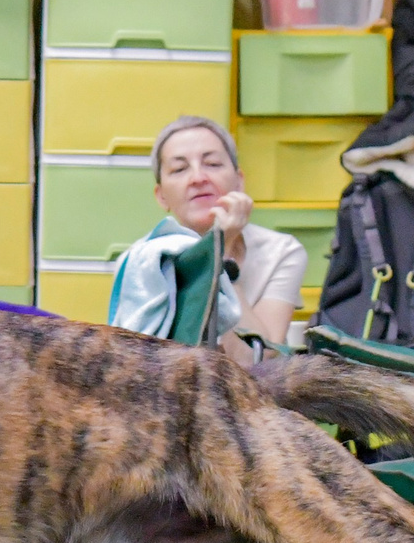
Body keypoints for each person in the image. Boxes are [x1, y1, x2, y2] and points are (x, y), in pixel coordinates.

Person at [107, 115, 306, 362]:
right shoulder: (142, 264)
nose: (198, 178)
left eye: (212, 164)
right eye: (179, 169)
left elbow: (256, 360)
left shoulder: (282, 252)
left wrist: (222, 254)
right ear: (161, 196)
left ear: (239, 181)